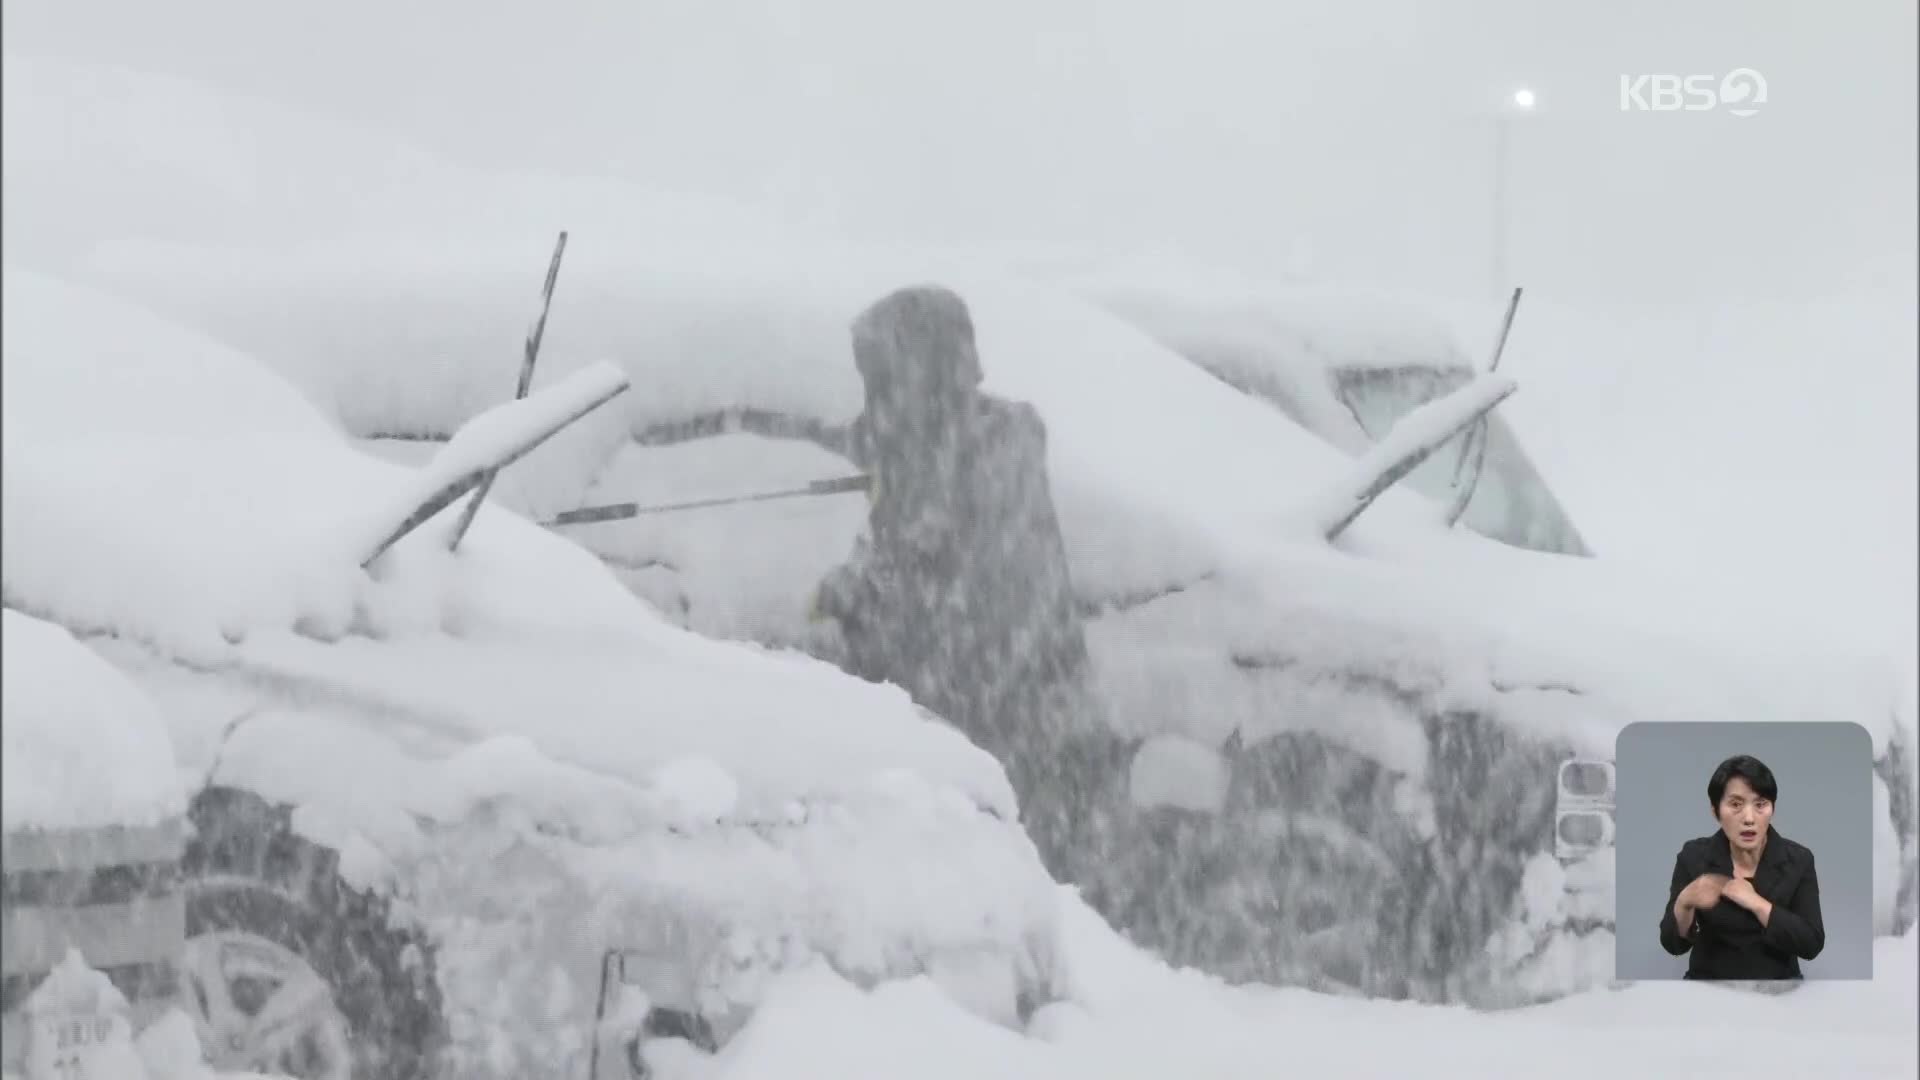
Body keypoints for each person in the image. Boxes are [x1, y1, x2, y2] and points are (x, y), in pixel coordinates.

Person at [1659, 754, 1825, 979]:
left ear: (1772, 809)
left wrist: (1756, 903)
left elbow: (1811, 943)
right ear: (1715, 810)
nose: (1749, 818)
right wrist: (1685, 902)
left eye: (1760, 804)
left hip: (1777, 994)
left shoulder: (1799, 860)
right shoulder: (1694, 857)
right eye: (1736, 804)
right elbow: (1672, 945)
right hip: (1708, 992)